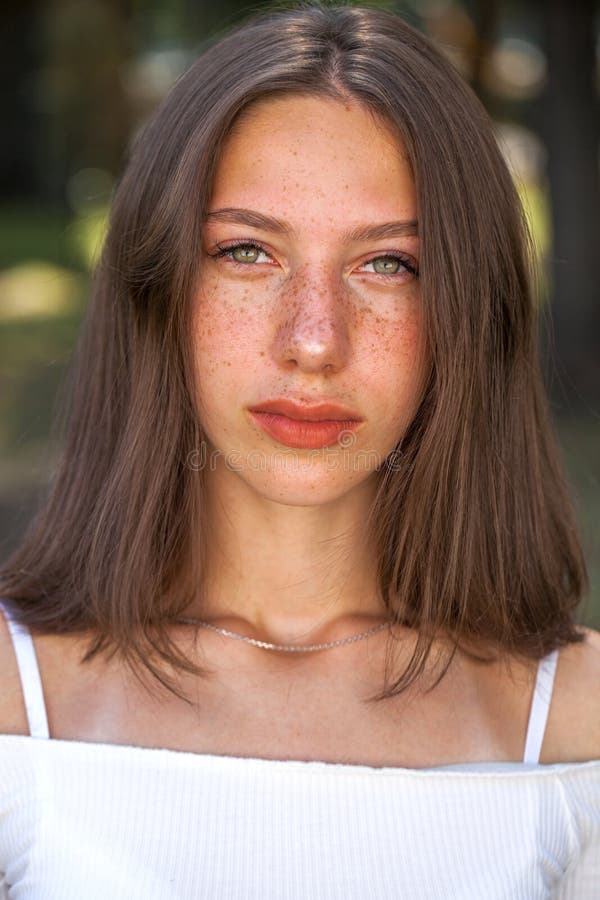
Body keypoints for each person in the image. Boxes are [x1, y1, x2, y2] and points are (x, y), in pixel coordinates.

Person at [0, 2, 599, 897]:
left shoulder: (580, 720)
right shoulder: (15, 697)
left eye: (388, 264)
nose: (314, 341)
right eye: (247, 252)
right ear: (158, 288)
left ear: (466, 317)